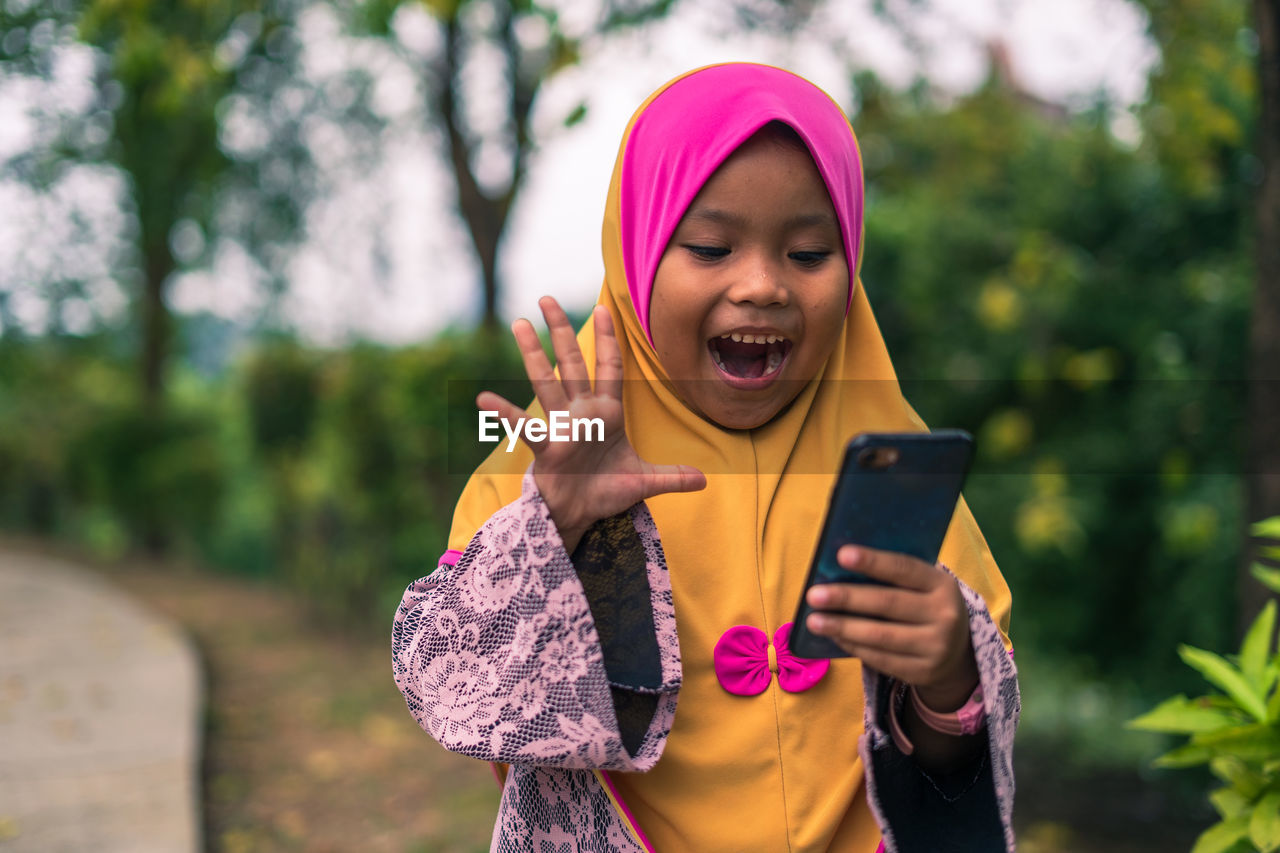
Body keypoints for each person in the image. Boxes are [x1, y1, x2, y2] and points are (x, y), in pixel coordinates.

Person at [392, 62, 1019, 853]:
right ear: (640, 252)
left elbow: (959, 760)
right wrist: (554, 525)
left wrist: (949, 675)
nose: (761, 285)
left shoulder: (892, 472)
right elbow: (452, 696)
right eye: (712, 246)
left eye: (810, 253)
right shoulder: (556, 456)